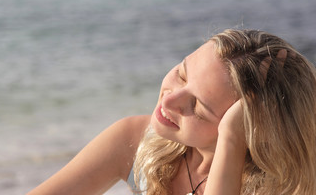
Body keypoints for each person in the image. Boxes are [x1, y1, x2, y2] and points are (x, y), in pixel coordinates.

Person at [27, 29, 316, 195]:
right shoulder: (134, 141)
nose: (168, 101)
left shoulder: (284, 185)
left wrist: (231, 138)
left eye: (198, 108)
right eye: (181, 73)